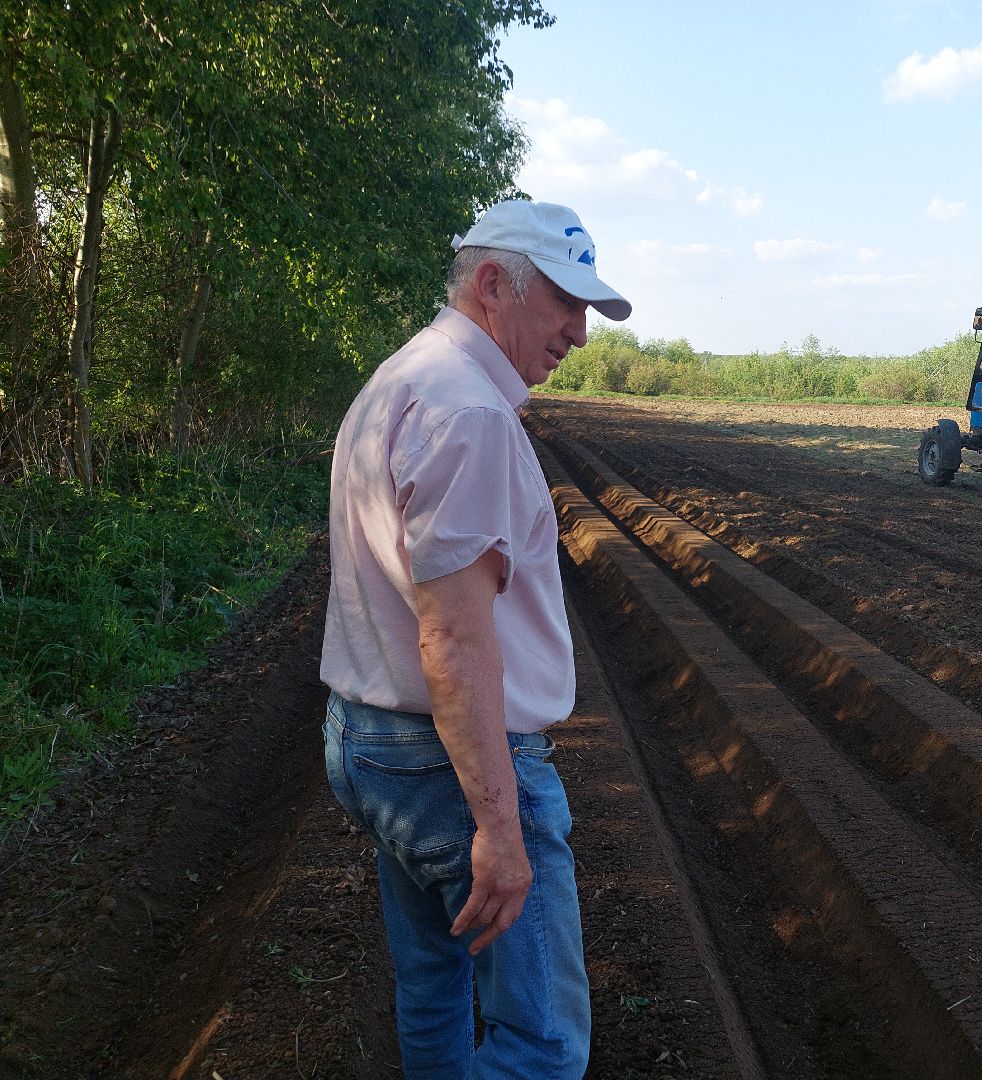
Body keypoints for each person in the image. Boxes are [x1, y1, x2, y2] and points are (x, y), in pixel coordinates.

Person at [319, 199, 631, 1078]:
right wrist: (500, 825)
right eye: (567, 303)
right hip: (449, 768)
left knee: (433, 986)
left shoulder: (401, 379)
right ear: (493, 285)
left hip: (372, 743)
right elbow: (454, 641)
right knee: (542, 1044)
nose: (579, 331)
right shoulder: (472, 415)